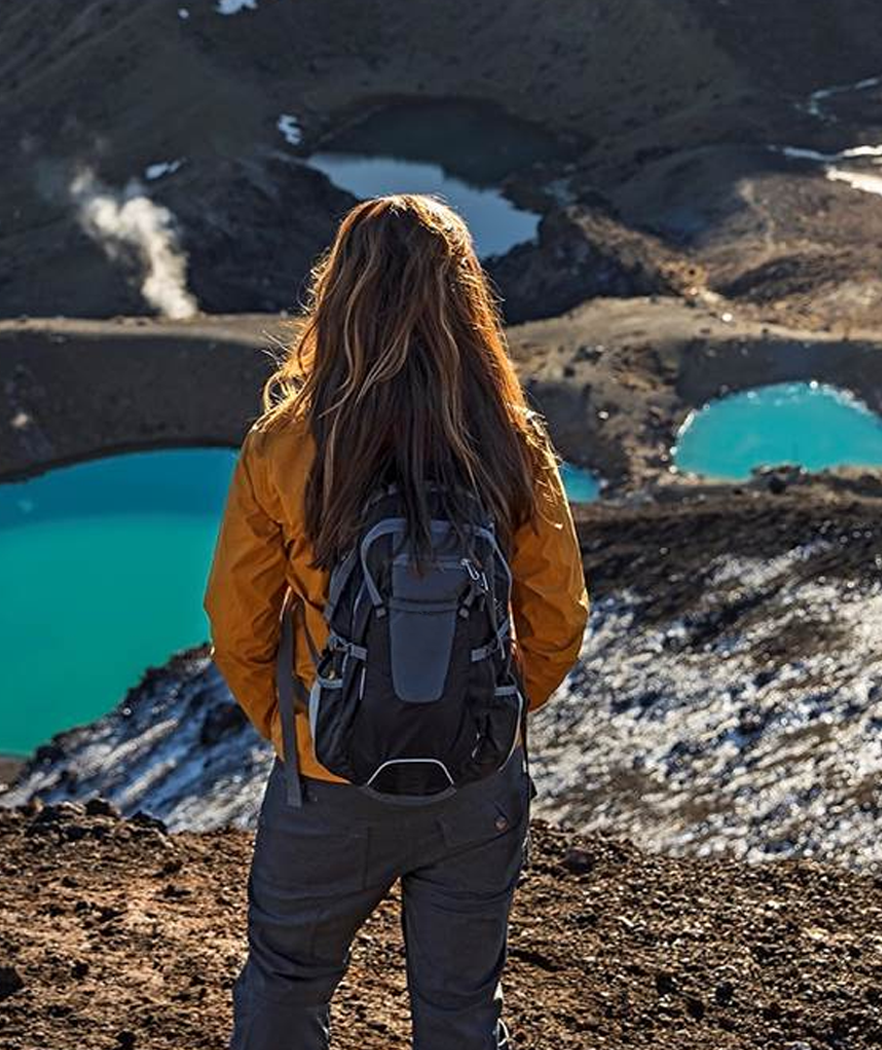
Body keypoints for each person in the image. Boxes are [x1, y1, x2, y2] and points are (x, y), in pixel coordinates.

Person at [203, 193, 591, 1050]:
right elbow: (559, 616)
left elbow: (236, 622)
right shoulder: (511, 440)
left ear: (339, 292)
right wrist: (485, 713)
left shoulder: (286, 441)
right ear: (465, 299)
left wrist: (303, 732)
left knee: (286, 985)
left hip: (328, 780)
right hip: (476, 785)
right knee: (459, 1013)